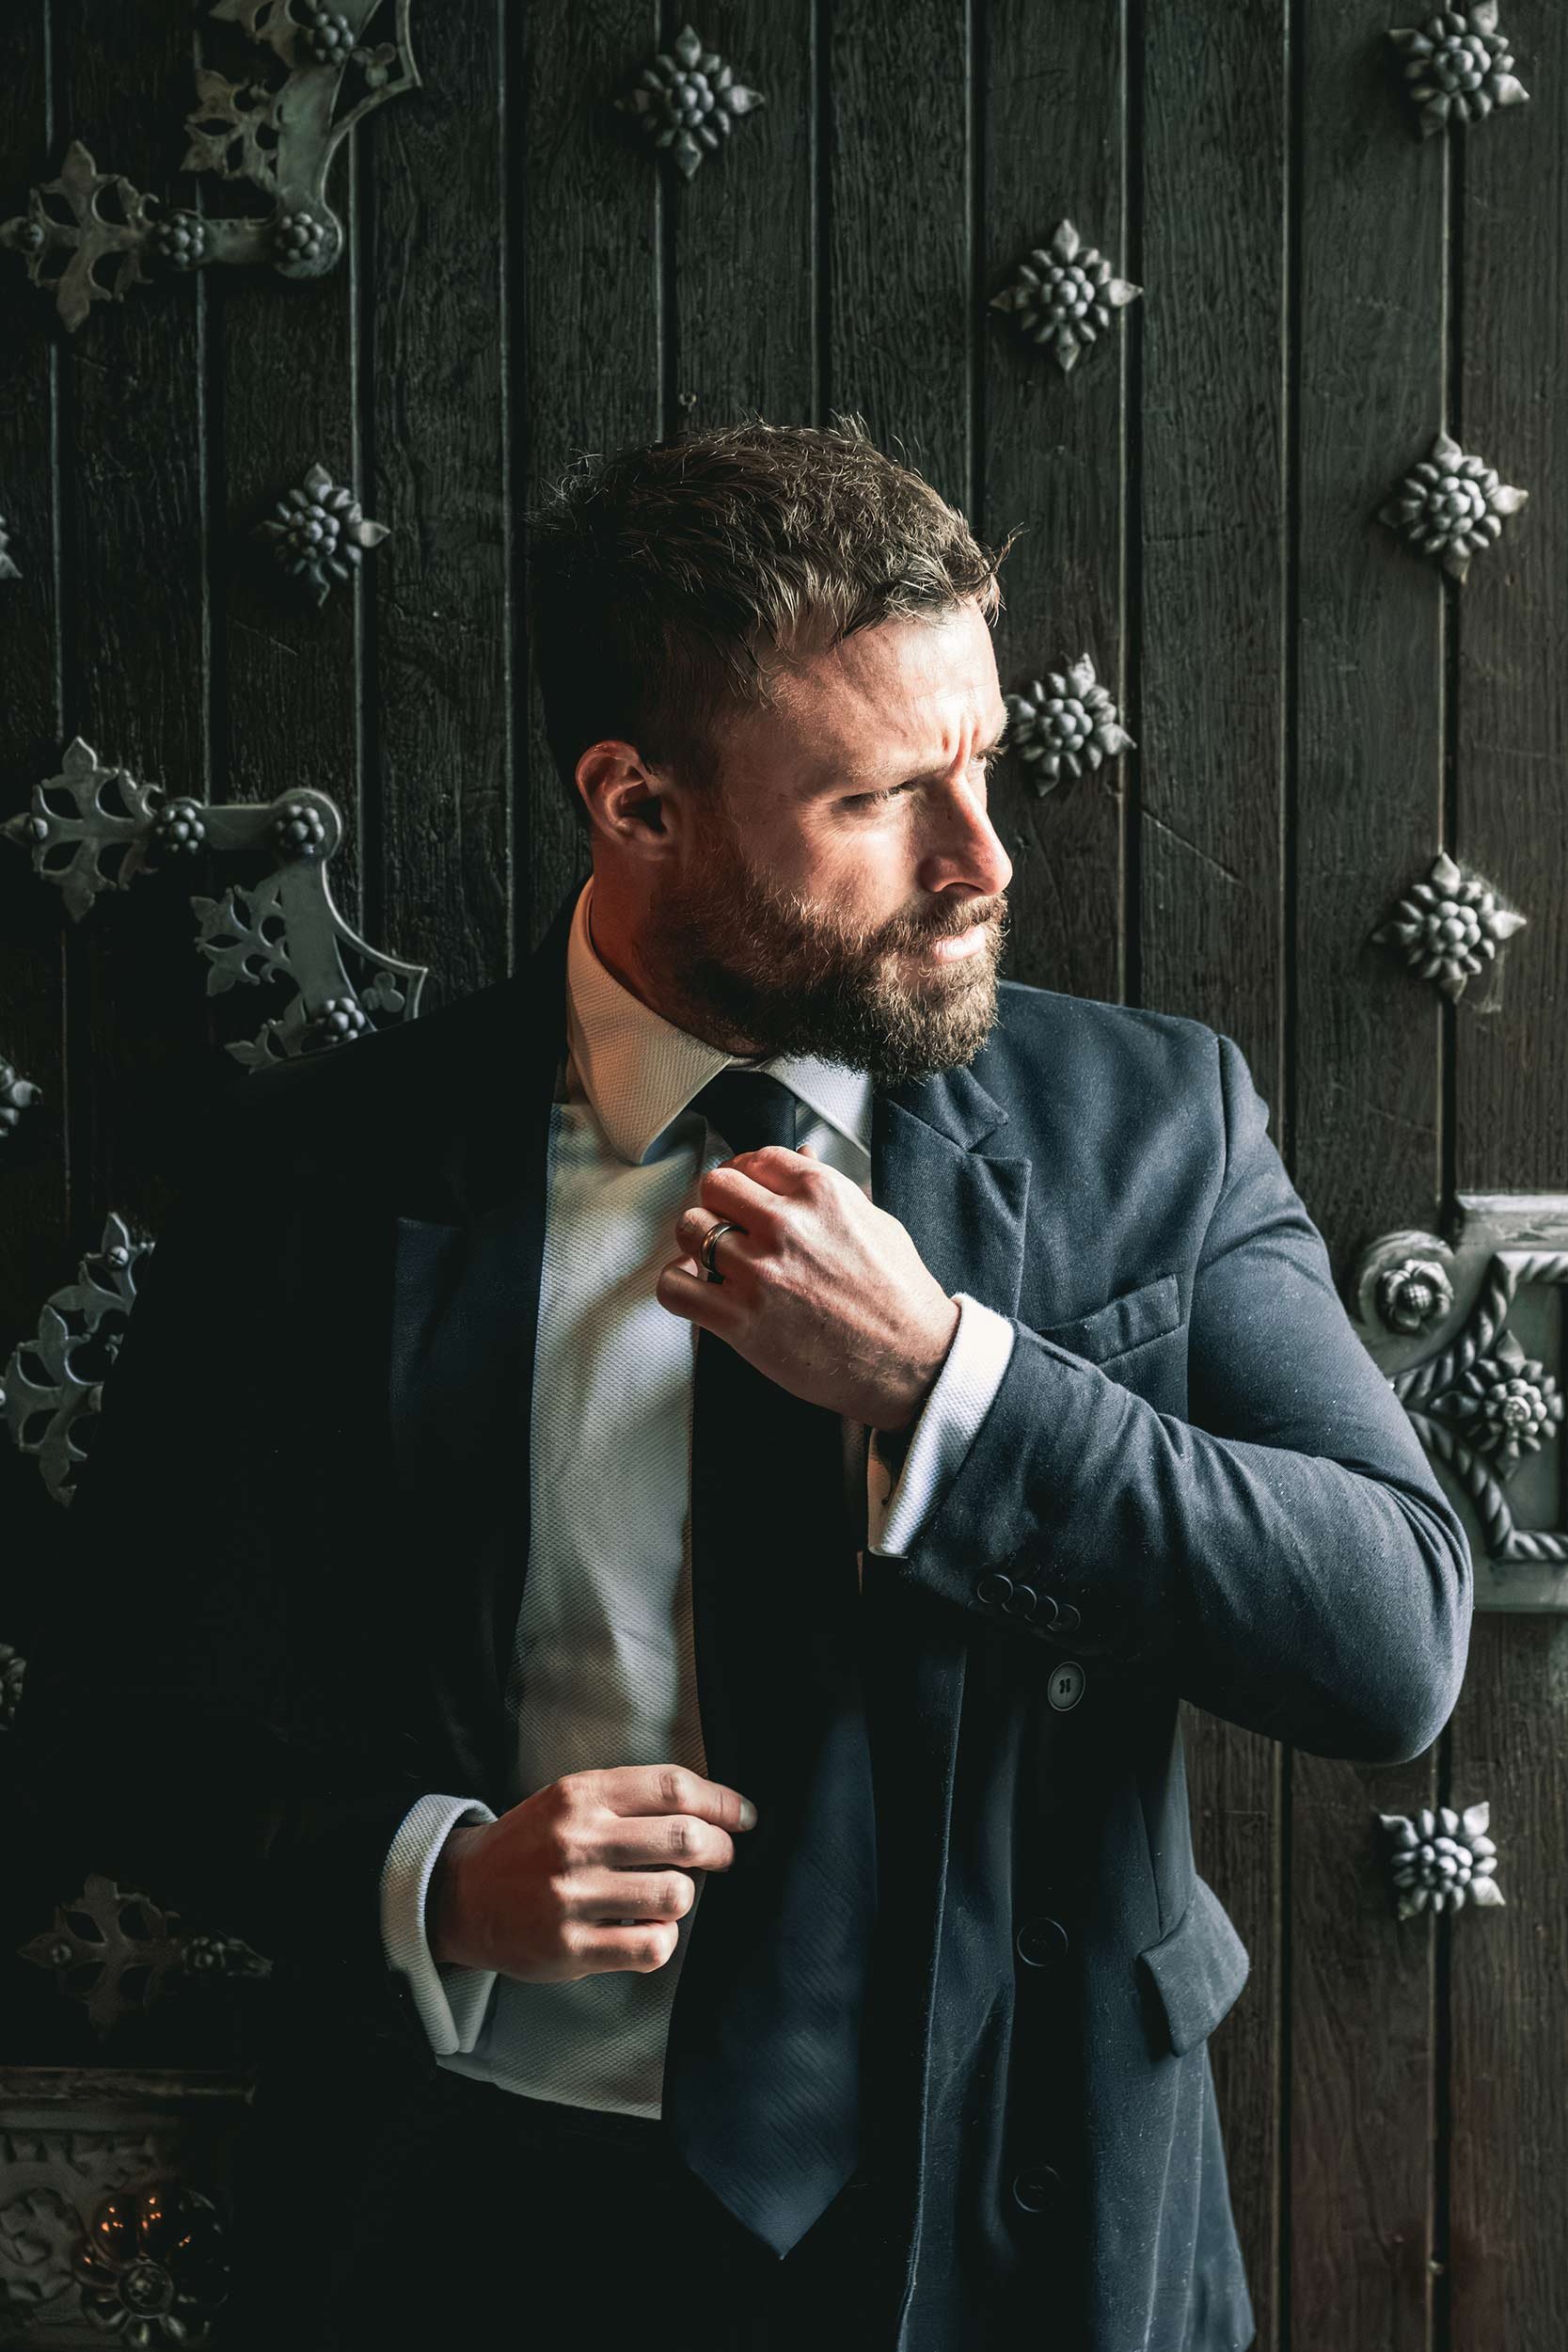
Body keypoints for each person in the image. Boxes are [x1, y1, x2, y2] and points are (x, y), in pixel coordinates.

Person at [6, 417, 1472, 2351]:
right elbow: (126, 1730)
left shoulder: (1152, 1127)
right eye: (880, 797)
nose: (982, 860)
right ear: (636, 804)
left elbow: (1394, 1633)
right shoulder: (319, 1188)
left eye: (983, 761)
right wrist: (432, 1876)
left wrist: (960, 1385)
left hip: (1032, 2236)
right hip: (491, 2236)